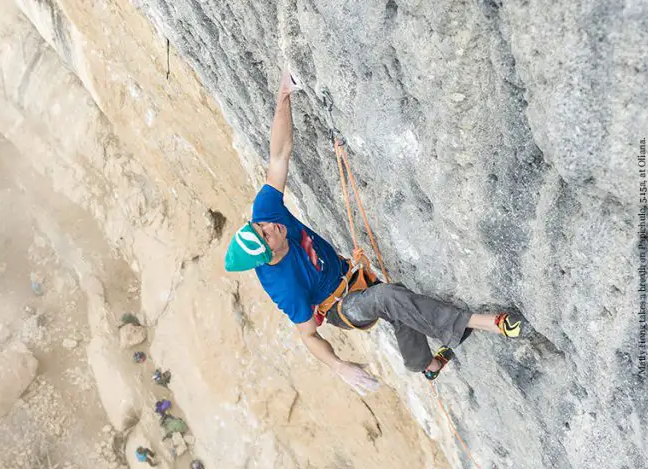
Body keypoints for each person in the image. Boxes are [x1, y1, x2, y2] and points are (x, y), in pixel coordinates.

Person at [223, 70, 524, 393]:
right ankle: (485, 322)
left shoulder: (266, 211)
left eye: (261, 225)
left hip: (351, 274)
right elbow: (308, 334)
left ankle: (426, 364)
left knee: (398, 301)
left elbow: (279, 155)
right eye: (266, 234)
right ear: (269, 253)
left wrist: (283, 96)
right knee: (387, 296)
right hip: (342, 307)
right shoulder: (284, 286)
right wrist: (340, 367)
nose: (270, 225)